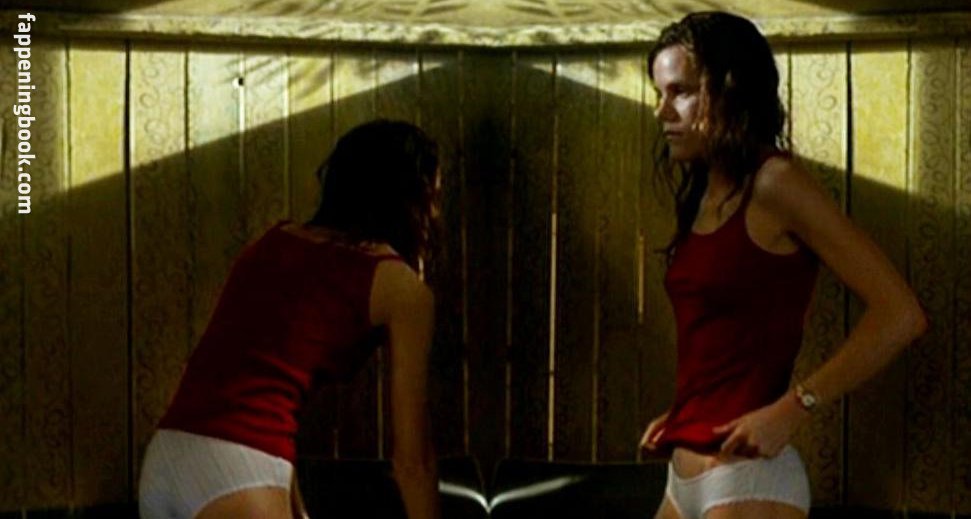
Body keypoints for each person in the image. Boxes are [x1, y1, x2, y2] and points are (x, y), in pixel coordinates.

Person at [638, 12, 927, 519]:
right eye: (659, 93)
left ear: (729, 89)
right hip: (685, 472)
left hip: (749, 477)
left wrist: (796, 407)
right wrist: (687, 412)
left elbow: (901, 314)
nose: (663, 111)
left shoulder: (774, 184)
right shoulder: (704, 192)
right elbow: (727, 338)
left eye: (680, 92)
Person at [139, 119, 442, 519]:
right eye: (433, 196)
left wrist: (296, 505)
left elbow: (255, 383)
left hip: (166, 458)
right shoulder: (401, 289)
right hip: (242, 469)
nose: (435, 210)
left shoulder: (274, 242)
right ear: (410, 198)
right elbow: (413, 462)